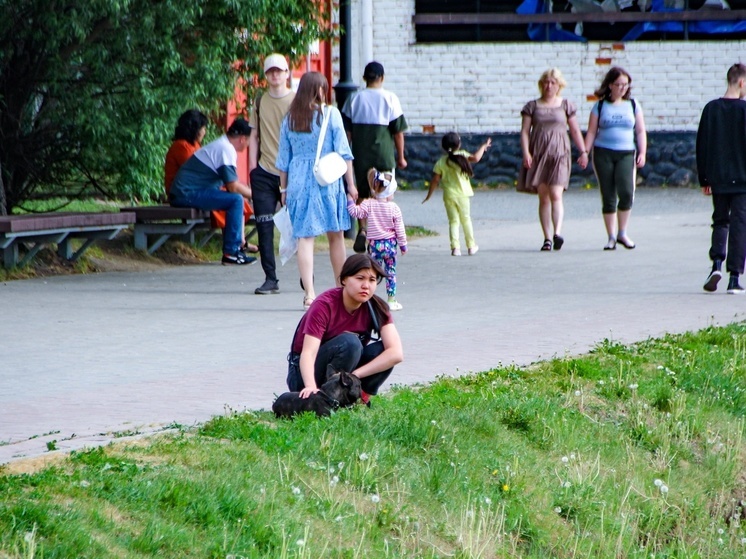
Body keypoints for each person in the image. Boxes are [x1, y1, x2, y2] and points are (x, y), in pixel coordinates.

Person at [276, 72, 358, 309]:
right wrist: (350, 185)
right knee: (336, 236)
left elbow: (283, 159)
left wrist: (283, 189)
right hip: (327, 180)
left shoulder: (290, 118)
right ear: (320, 90)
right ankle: (341, 287)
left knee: (305, 238)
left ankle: (309, 294)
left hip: (299, 180)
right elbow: (344, 153)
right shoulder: (331, 114)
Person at [286, 253, 404, 406]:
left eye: (372, 280)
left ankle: (360, 398)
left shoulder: (377, 307)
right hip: (304, 375)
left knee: (383, 351)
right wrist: (310, 386)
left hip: (345, 373)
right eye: (360, 278)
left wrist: (355, 375)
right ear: (344, 280)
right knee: (350, 343)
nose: (366, 286)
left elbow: (396, 353)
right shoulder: (324, 305)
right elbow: (308, 353)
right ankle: (327, 399)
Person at [165, 110, 257, 253]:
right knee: (235, 199)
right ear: (242, 139)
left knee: (235, 199)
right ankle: (232, 250)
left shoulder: (220, 146)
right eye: (203, 128)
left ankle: (237, 244)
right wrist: (257, 195)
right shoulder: (223, 148)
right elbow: (232, 186)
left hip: (193, 191)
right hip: (185, 193)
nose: (205, 131)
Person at [518, 68, 588, 251]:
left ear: (559, 85)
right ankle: (547, 238)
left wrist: (583, 151)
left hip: (559, 154)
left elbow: (574, 130)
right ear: (541, 85)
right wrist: (526, 153)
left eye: (553, 83)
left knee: (556, 194)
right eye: (546, 82)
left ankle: (557, 233)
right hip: (538, 154)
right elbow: (525, 132)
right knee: (544, 197)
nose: (549, 86)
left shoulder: (565, 105)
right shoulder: (532, 106)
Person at [342, 61, 408, 253]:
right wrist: (401, 157)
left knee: (362, 194)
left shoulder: (354, 99)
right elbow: (398, 132)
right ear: (382, 77)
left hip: (361, 154)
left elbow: (347, 133)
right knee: (385, 194)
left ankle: (363, 229)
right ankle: (383, 231)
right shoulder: (390, 98)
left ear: (364, 78)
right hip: (384, 155)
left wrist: (348, 155)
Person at [584, 66, 647, 251]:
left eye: (625, 85)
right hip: (603, 152)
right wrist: (584, 152)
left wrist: (642, 152)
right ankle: (611, 237)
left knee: (627, 192)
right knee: (608, 194)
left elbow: (641, 130)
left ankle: (622, 232)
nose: (622, 88)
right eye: (618, 84)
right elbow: (592, 131)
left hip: (626, 152)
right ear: (610, 85)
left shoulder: (633, 105)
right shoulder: (600, 106)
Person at [249, 53, 296, 295]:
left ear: (287, 73)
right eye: (270, 71)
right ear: (265, 75)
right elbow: (254, 137)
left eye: (279, 70)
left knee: (298, 227)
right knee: (264, 225)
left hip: (292, 171)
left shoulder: (297, 101)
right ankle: (270, 278)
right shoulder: (259, 102)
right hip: (265, 172)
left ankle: (305, 277)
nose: (275, 75)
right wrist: (251, 169)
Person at [697, 63, 746, 295]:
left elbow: (702, 146)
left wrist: (704, 179)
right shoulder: (745, 111)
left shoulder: (711, 109)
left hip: (718, 178)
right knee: (739, 225)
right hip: (742, 179)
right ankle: (734, 277)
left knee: (720, 220)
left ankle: (716, 263)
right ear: (741, 82)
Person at [347, 169, 407, 311]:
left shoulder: (369, 204)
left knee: (371, 273)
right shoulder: (394, 208)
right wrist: (403, 245)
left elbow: (355, 212)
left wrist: (350, 200)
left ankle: (368, 298)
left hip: (374, 246)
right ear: (389, 192)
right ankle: (391, 300)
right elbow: (400, 229)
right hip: (390, 246)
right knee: (390, 272)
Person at [423, 132, 491, 256]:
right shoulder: (463, 155)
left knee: (453, 222)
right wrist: (483, 147)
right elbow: (476, 158)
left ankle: (455, 248)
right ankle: (471, 246)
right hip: (463, 194)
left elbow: (435, 181)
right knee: (466, 220)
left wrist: (429, 195)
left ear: (443, 147)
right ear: (458, 144)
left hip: (449, 195)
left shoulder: (441, 162)